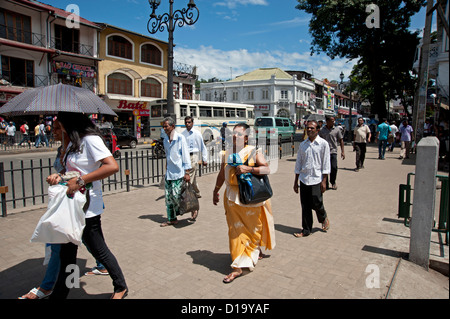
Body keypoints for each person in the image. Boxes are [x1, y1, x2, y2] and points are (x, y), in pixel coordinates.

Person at [46, 112, 127, 299]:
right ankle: (60, 293)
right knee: (67, 254)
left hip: (88, 207)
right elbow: (71, 171)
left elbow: (111, 166)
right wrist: (60, 176)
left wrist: (81, 180)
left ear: (69, 123)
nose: (56, 129)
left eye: (59, 125)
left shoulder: (90, 140)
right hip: (71, 205)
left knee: (98, 249)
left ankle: (120, 286)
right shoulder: (72, 143)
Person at [213, 123, 275, 283]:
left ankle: (253, 251)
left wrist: (249, 169)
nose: (235, 136)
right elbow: (222, 173)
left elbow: (267, 169)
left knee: (253, 230)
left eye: (239, 134)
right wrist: (215, 190)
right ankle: (237, 267)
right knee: (235, 231)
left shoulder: (254, 152)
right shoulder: (227, 153)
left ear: (246, 138)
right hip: (232, 200)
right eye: (234, 134)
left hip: (249, 199)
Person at [293, 120, 330, 238]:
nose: (309, 130)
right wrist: (295, 182)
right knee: (305, 205)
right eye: (307, 128)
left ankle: (323, 216)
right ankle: (306, 229)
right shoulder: (303, 145)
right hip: (304, 179)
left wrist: (324, 181)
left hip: (317, 179)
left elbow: (326, 163)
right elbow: (298, 164)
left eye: (312, 128)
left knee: (317, 202)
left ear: (317, 130)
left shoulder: (323, 144)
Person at [160, 117, 192, 227]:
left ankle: (192, 207)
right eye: (163, 126)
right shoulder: (165, 139)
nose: (164, 128)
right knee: (168, 197)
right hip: (169, 172)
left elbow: (185, 155)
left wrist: (187, 172)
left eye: (166, 126)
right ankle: (172, 219)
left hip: (179, 172)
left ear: (172, 126)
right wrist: (166, 163)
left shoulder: (180, 138)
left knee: (177, 196)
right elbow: (168, 154)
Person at [181, 116, 208, 203]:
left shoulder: (197, 133)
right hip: (185, 157)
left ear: (192, 123)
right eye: (186, 122)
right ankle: (197, 192)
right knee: (193, 177)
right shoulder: (182, 134)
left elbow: (202, 147)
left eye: (189, 122)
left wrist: (205, 159)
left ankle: (187, 195)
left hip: (193, 156)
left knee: (188, 177)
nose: (187, 124)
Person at [319, 116, 344, 190]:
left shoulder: (336, 130)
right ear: (327, 121)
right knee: (324, 168)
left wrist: (343, 151)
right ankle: (325, 183)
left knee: (334, 167)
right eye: (332, 121)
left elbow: (341, 140)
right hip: (323, 152)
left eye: (334, 121)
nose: (333, 122)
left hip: (333, 151)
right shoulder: (322, 130)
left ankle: (333, 182)